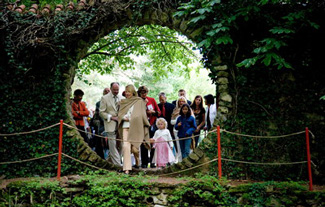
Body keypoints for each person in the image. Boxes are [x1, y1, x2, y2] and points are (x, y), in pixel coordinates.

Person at [118, 84, 150, 174]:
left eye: (129, 92)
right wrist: (125, 118)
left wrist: (132, 118)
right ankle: (127, 169)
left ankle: (137, 161)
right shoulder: (123, 102)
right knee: (125, 146)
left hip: (135, 127)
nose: (127, 93)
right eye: (126, 92)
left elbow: (141, 114)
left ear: (133, 92)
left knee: (135, 149)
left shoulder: (139, 101)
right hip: (125, 126)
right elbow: (120, 115)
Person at [99, 82, 124, 165]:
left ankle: (111, 162)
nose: (116, 91)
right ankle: (118, 165)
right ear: (110, 89)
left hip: (120, 125)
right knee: (112, 145)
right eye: (114, 90)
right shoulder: (104, 98)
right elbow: (101, 112)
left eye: (117, 90)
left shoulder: (122, 98)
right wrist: (112, 117)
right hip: (110, 124)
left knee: (121, 145)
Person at [137, 86, 161, 168]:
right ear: (139, 93)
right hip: (142, 125)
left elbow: (159, 112)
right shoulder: (137, 101)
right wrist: (146, 111)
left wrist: (153, 112)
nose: (144, 94)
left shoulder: (152, 100)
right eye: (142, 93)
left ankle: (153, 161)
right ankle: (144, 162)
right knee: (143, 144)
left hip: (152, 124)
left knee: (152, 143)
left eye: (145, 92)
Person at [91, 87, 110, 159]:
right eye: (106, 91)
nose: (107, 92)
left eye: (108, 91)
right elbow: (99, 115)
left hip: (111, 126)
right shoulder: (99, 103)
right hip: (102, 127)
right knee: (102, 145)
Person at [170, 96, 188, 162]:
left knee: (186, 146)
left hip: (186, 130)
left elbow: (191, 119)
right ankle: (180, 161)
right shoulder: (175, 110)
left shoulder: (189, 110)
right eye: (180, 101)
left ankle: (186, 160)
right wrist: (178, 121)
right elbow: (171, 122)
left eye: (183, 101)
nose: (181, 103)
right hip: (176, 131)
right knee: (179, 146)